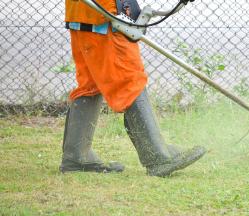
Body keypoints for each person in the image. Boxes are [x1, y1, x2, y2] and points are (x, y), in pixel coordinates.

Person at [62, 0, 206, 177]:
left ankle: (76, 156)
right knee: (130, 80)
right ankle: (157, 156)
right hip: (105, 16)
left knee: (90, 84)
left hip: (82, 15)